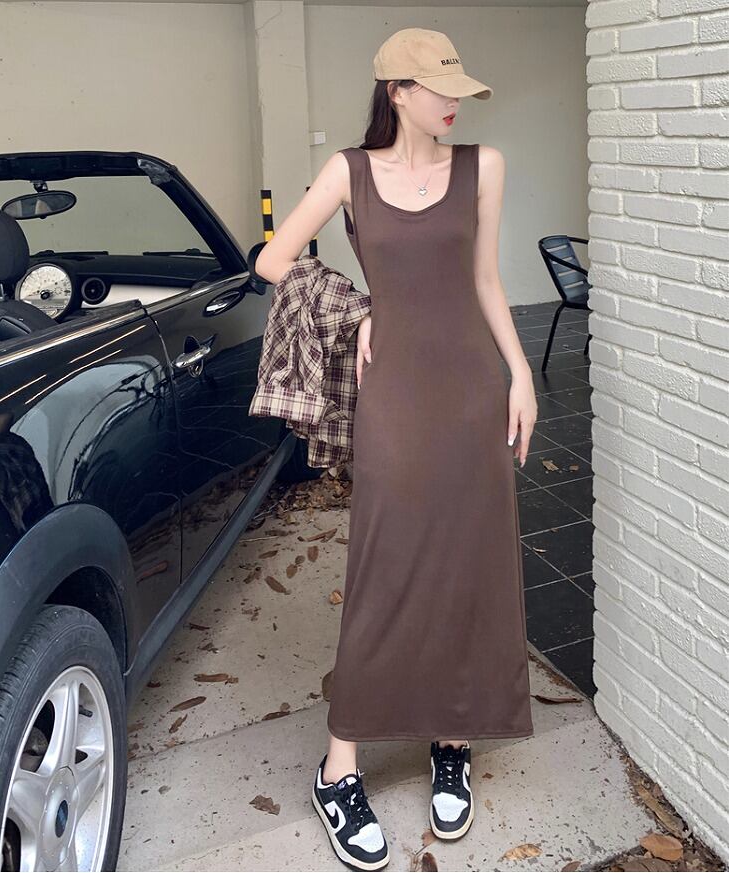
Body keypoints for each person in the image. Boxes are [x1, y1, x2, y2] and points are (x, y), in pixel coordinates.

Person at [256, 26, 538, 872]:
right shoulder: (349, 172)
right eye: (438, 88)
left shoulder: (484, 167)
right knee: (386, 568)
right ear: (398, 92)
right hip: (397, 401)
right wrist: (356, 309)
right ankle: (338, 768)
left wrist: (521, 375)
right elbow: (274, 259)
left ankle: (453, 738)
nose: (454, 102)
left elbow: (484, 280)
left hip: (471, 390)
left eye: (459, 88)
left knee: (469, 563)